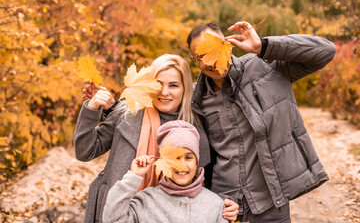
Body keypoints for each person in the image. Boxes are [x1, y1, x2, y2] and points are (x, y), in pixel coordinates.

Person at [187, 21, 336, 222]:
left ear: (227, 43)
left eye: (213, 50)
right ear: (195, 61)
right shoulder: (196, 99)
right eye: (202, 56)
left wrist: (262, 47)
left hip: (271, 203)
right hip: (223, 206)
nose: (210, 61)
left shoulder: (265, 66)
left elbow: (325, 51)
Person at [74, 54, 238, 223]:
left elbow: (205, 180)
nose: (164, 92)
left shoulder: (195, 127)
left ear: (185, 88)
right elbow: (85, 151)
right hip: (115, 212)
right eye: (158, 84)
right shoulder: (127, 113)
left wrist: (225, 202)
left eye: (173, 85)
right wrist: (92, 109)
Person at [102, 120, 230, 223]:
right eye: (175, 158)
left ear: (197, 161)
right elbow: (112, 220)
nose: (181, 165)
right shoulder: (146, 200)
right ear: (163, 161)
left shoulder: (215, 204)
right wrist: (133, 178)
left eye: (188, 157)